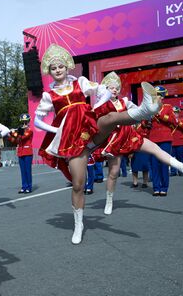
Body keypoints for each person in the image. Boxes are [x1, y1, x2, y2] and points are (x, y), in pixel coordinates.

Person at [33, 45, 162, 244]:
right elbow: (37, 120)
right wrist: (56, 131)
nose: (57, 70)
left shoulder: (81, 83)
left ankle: (144, 111)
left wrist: (95, 106)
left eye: (60, 66)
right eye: (53, 68)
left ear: (67, 67)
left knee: (109, 117)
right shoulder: (49, 96)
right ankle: (78, 225)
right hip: (73, 143)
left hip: (90, 129)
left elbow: (105, 92)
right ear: (49, 72)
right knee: (78, 184)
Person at [91, 72, 183, 215]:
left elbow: (138, 111)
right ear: (105, 89)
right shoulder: (102, 104)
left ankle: (182, 166)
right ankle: (109, 200)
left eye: (116, 88)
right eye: (111, 88)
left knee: (155, 149)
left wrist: (149, 108)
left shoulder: (125, 101)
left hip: (129, 135)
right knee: (113, 173)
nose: (114, 90)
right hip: (113, 139)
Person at [7, 113, 33, 193]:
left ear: (28, 122)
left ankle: (29, 187)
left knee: (28, 171)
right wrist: (8, 135)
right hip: (21, 152)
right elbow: (15, 141)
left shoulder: (29, 130)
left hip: (28, 152)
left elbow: (23, 137)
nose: (24, 124)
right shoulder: (19, 131)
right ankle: (24, 186)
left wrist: (13, 133)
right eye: (23, 122)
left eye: (26, 122)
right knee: (22, 171)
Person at [131, 121, 151, 188]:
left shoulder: (146, 124)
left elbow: (148, 135)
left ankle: (145, 183)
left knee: (145, 166)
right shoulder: (133, 125)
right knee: (134, 166)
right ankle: (135, 182)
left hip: (145, 147)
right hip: (135, 147)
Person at [170, 107, 183, 176]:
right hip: (172, 141)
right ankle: (173, 171)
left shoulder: (182, 120)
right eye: (174, 112)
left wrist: (177, 121)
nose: (175, 114)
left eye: (176, 112)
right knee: (172, 158)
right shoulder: (170, 121)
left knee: (180, 157)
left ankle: (181, 170)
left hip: (180, 141)